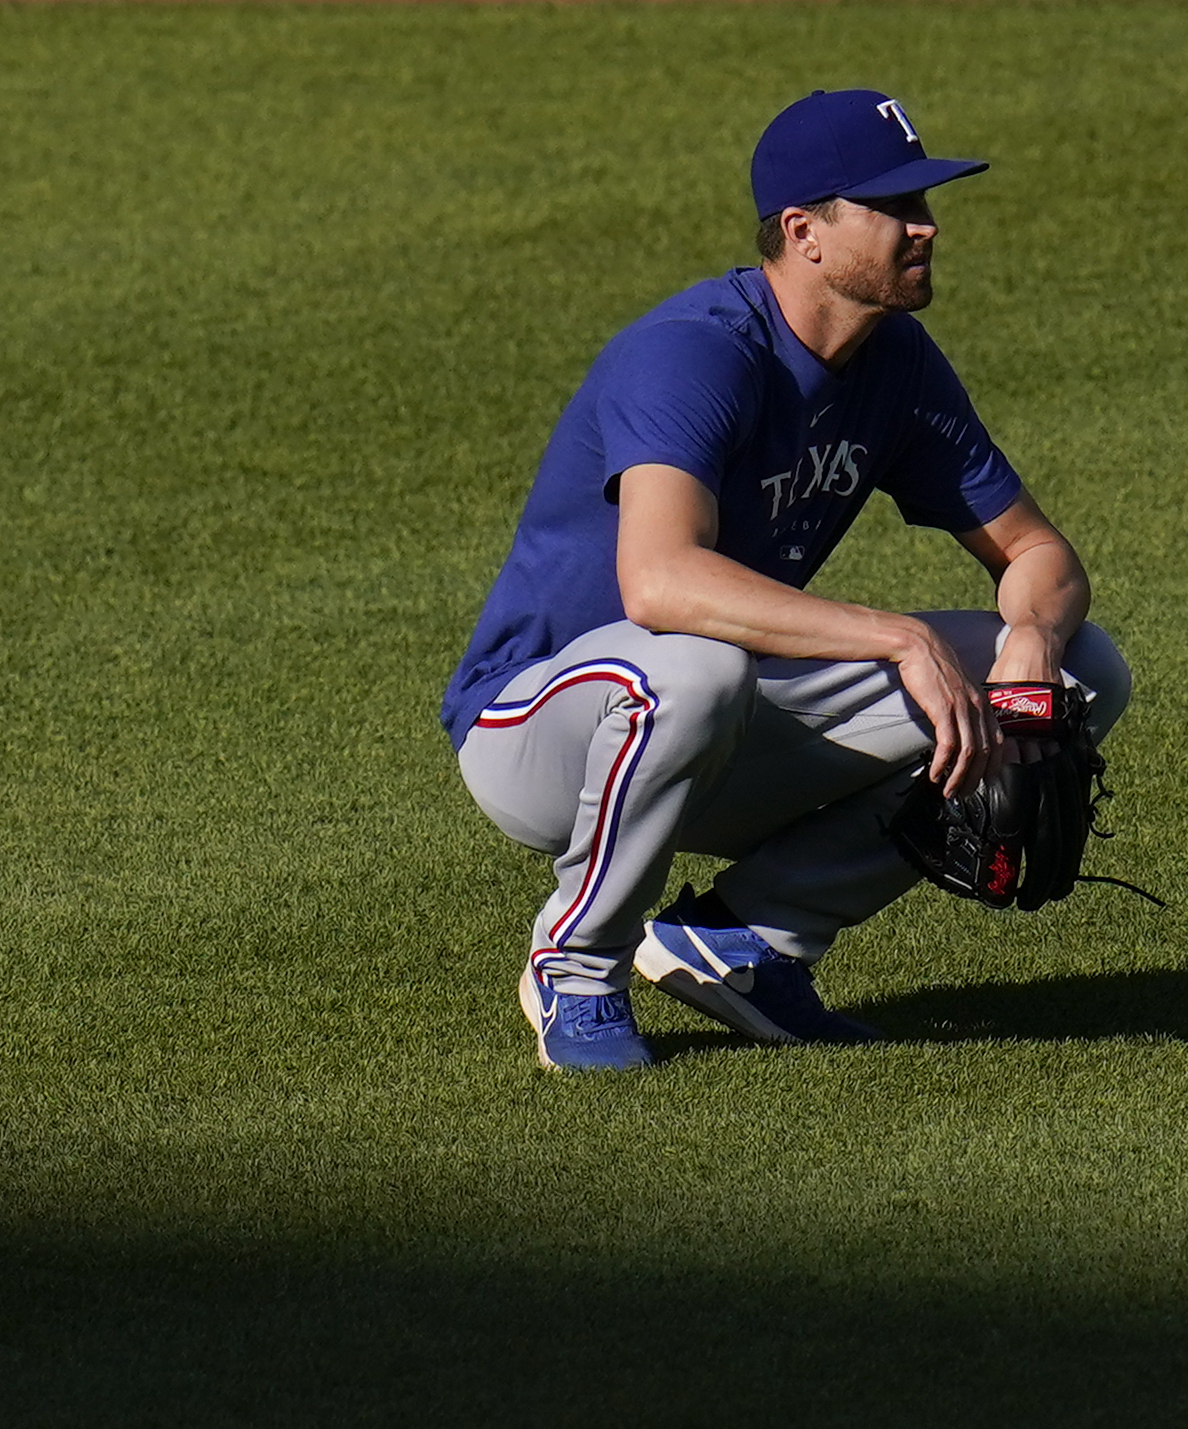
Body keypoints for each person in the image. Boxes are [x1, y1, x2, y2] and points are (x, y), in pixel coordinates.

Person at [443, 88, 1134, 1071]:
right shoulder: (695, 353)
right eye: (892, 207)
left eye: (924, 202)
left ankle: (746, 938)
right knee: (693, 668)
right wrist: (899, 637)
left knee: (1076, 676)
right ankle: (576, 963)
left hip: (711, 718)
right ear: (804, 232)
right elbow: (659, 583)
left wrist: (1028, 642)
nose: (924, 225)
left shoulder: (893, 360)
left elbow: (1038, 554)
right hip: (539, 726)